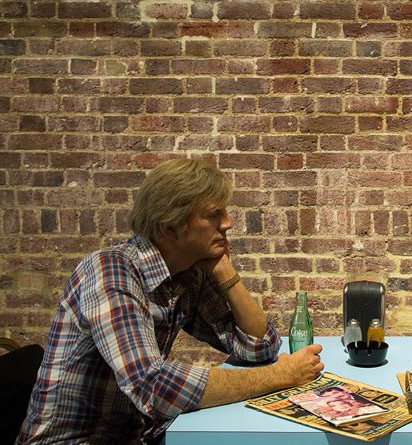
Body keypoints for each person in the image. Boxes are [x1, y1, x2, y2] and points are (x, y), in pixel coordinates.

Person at [18, 159, 324, 444]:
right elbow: (153, 385)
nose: (228, 223)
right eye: (213, 214)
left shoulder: (188, 274)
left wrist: (225, 272)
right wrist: (281, 376)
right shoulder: (112, 272)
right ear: (169, 227)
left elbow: (260, 347)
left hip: (138, 434)